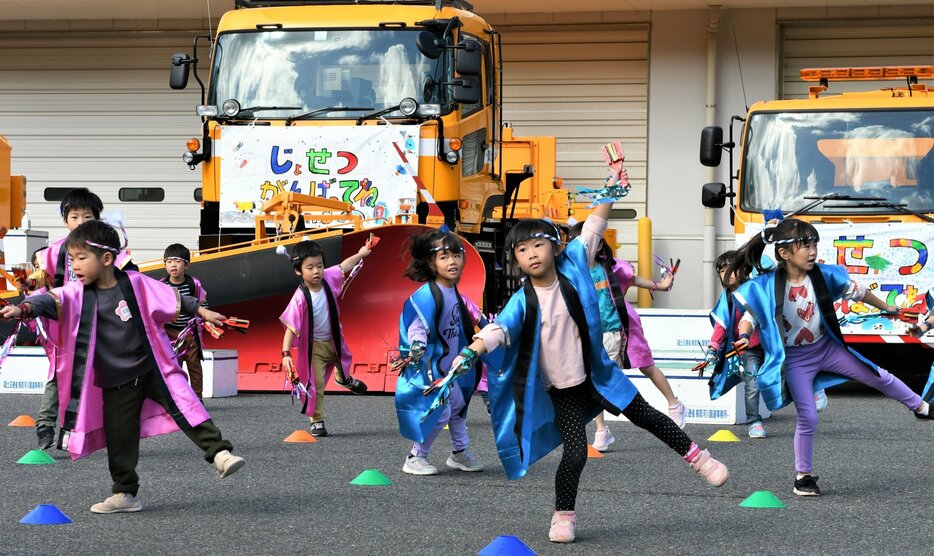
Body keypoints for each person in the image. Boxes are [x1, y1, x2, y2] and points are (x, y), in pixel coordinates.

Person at [455, 189, 728, 543]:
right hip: (563, 389)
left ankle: (700, 460)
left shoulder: (574, 266)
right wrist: (471, 351)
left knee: (648, 416)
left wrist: (612, 189)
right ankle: (562, 517)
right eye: (522, 250)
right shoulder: (522, 300)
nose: (531, 254)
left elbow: (595, 226)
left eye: (537, 245)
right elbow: (498, 331)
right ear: (516, 261)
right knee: (575, 453)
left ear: (555, 247)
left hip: (599, 373)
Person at [1, 220, 244, 514]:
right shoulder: (76, 293)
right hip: (115, 380)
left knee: (186, 404)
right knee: (120, 437)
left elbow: (175, 298)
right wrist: (22, 308)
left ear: (106, 259)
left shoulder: (136, 284)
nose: (74, 266)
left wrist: (204, 311)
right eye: (72, 259)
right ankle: (125, 493)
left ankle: (220, 453)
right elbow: (47, 300)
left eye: (81, 258)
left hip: (153, 368)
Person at [719, 217, 931, 497]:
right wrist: (744, 335)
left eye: (814, 244)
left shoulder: (824, 275)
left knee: (879, 375)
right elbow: (749, 318)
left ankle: (920, 407)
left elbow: (860, 292)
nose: (812, 251)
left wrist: (890, 309)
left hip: (827, 349)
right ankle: (803, 477)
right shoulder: (766, 285)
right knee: (808, 416)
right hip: (795, 359)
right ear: (784, 253)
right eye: (804, 245)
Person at [33, 188, 137, 451]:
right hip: (64, 326)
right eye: (74, 217)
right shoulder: (50, 253)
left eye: (87, 217)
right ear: (65, 220)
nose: (80, 223)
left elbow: (130, 278)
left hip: (100, 321)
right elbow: (38, 286)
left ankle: (81, 433)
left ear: (98, 219)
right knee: (60, 374)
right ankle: (45, 425)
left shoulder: (107, 250)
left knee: (102, 377)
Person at [566, 222, 684, 452]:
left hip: (621, 328)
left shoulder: (613, 268)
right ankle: (601, 429)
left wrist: (661, 285)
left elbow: (635, 280)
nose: (583, 247)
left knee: (646, 366)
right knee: (595, 379)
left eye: (589, 242)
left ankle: (674, 403)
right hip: (591, 334)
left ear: (600, 244)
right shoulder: (572, 273)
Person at [395, 230, 486, 476]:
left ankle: (459, 452)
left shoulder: (458, 295)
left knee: (458, 406)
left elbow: (480, 319)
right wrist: (417, 345)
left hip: (450, 367)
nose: (452, 262)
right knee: (440, 411)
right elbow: (417, 326)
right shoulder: (425, 296)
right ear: (430, 263)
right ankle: (415, 456)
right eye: (444, 257)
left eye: (456, 255)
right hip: (429, 368)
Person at [280, 239, 371, 437]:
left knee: (344, 361)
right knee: (316, 384)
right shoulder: (300, 297)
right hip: (315, 348)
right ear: (299, 271)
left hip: (335, 340)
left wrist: (361, 253)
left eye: (320, 266)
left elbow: (344, 266)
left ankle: (344, 379)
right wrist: (285, 353)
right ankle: (317, 420)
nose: (316, 271)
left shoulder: (328, 279)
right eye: (310, 267)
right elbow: (290, 327)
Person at [704, 250, 767, 438]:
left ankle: (814, 391)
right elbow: (721, 327)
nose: (726, 273)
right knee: (752, 384)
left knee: (791, 375)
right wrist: (712, 348)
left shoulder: (755, 288)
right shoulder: (727, 299)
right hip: (748, 349)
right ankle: (754, 422)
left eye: (731, 268)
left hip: (773, 345)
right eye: (722, 270)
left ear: (743, 269)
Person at [161, 244, 207, 399]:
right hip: (170, 333)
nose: (173, 265)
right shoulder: (162, 285)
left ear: (186, 265)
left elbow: (202, 303)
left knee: (194, 365)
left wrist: (207, 319)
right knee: (174, 366)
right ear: (165, 264)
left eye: (178, 261)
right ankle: (176, 399)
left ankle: (198, 398)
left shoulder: (193, 284)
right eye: (169, 261)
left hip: (190, 331)